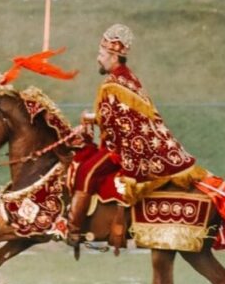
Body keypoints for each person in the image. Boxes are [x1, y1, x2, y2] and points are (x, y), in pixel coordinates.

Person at [67, 24, 198, 250]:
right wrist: (93, 119)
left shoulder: (112, 84)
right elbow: (122, 117)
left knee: (85, 173)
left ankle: (73, 230)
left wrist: (89, 118)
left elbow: (112, 120)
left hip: (119, 151)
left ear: (113, 56)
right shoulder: (129, 79)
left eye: (101, 55)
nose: (98, 59)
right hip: (128, 144)